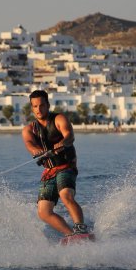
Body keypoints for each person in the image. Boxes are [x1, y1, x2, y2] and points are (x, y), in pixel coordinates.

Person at [22, 90, 89, 237]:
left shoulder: (59, 119)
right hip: (49, 171)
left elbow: (69, 135)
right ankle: (71, 235)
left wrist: (62, 143)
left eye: (41, 105)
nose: (38, 109)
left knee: (65, 195)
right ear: (31, 108)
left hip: (66, 166)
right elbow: (29, 144)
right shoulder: (29, 129)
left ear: (47, 105)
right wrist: (36, 151)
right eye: (35, 106)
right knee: (43, 212)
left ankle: (81, 228)